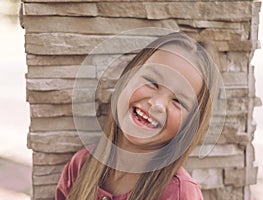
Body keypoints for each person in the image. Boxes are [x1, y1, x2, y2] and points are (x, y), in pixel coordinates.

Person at [56, 32, 221, 200]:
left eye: (178, 101)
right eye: (152, 82)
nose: (157, 104)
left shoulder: (180, 194)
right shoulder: (81, 165)